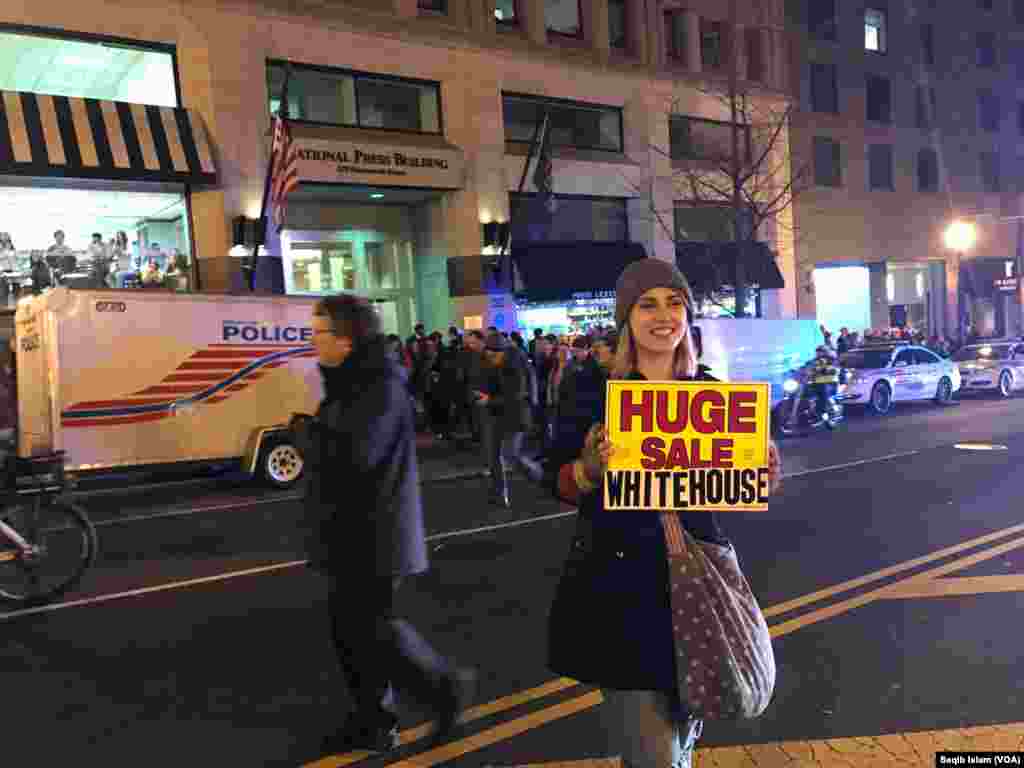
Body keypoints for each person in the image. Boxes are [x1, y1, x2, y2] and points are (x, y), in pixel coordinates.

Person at [545, 259, 782, 768]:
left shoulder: (713, 394)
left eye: (674, 303)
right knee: (652, 755)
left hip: (698, 583)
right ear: (626, 317)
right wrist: (588, 470)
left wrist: (764, 469)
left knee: (679, 747)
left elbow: (737, 490)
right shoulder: (591, 392)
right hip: (621, 596)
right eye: (647, 304)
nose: (663, 315)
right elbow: (557, 481)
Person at [289, 294, 475, 755]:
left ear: (347, 340)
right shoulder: (354, 381)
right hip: (352, 532)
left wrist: (306, 435)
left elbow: (354, 455)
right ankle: (374, 721)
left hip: (372, 535)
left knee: (374, 632)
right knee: (354, 634)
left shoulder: (374, 385)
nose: (313, 341)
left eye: (319, 333)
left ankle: (442, 689)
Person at [475, 332, 542, 508]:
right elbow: (485, 382)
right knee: (494, 456)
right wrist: (483, 395)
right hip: (496, 412)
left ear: (502, 352)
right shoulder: (489, 359)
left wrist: (490, 399)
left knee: (512, 455)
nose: (490, 359)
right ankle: (499, 494)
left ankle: (539, 476)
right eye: (488, 355)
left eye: (493, 356)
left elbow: (517, 395)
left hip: (516, 414)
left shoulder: (516, 364)